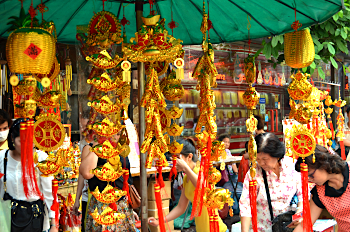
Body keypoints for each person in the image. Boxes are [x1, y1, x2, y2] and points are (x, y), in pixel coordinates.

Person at [148, 139, 228, 232]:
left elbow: (203, 187)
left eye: (177, 157)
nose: (174, 161)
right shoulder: (186, 178)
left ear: (189, 156)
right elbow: (180, 207)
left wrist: (185, 168)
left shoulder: (201, 171)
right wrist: (160, 221)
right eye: (172, 157)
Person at [0, 118, 57, 232]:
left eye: (30, 141)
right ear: (12, 139)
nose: (27, 145)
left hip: (34, 217)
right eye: (22, 141)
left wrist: (54, 225)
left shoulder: (41, 159)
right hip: (7, 217)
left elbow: (49, 194)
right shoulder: (2, 157)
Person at [239, 133, 303, 232]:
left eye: (265, 159)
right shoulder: (254, 173)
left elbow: (303, 195)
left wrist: (299, 215)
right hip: (262, 228)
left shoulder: (292, 166)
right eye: (258, 159)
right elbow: (245, 206)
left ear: (277, 155)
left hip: (288, 227)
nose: (261, 163)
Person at [79, 131, 138, 232]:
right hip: (101, 205)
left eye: (118, 133)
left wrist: (129, 207)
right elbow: (86, 174)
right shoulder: (91, 148)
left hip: (121, 204)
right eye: (110, 133)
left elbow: (126, 180)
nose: (115, 136)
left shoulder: (121, 149)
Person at [294, 145, 350, 232]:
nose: (309, 180)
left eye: (311, 175)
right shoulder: (320, 192)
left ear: (323, 165)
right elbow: (304, 225)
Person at [72, 110, 90, 232]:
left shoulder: (98, 146)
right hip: (85, 197)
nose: (83, 129)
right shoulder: (83, 144)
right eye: (81, 126)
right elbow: (81, 174)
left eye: (86, 126)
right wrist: (77, 198)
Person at [217, 134, 242, 215]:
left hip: (231, 174)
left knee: (236, 187)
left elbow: (233, 163)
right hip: (224, 175)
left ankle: (235, 208)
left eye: (228, 142)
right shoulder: (218, 151)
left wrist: (236, 172)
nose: (227, 144)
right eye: (225, 142)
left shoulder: (228, 151)